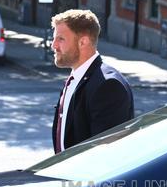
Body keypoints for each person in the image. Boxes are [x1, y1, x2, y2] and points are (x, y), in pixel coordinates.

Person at [50, 9, 133, 153]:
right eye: (54, 39)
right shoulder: (75, 78)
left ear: (83, 42)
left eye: (61, 39)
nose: (54, 45)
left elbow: (105, 153)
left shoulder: (108, 86)